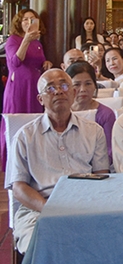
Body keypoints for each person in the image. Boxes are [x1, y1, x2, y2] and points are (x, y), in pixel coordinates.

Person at [6, 69, 109, 253]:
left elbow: (102, 176)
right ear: (40, 99)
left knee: (108, 240)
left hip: (85, 206)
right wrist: (50, 209)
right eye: (50, 88)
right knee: (43, 247)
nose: (59, 91)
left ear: (73, 93)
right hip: (38, 209)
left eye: (63, 86)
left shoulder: (94, 131)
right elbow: (19, 188)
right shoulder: (24, 136)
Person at [66, 61, 117, 164]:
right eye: (76, 84)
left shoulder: (106, 114)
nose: (83, 89)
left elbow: (109, 152)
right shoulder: (62, 113)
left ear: (95, 86)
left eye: (88, 84)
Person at [3, 9, 51, 115]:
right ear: (19, 23)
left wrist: (46, 63)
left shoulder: (37, 43)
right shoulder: (13, 40)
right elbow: (15, 62)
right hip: (20, 85)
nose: (29, 22)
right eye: (25, 19)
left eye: (32, 19)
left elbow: (40, 62)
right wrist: (26, 40)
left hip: (35, 84)